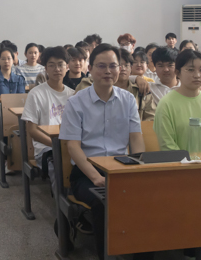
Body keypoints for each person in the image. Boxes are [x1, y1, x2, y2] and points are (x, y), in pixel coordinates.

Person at [60, 43, 146, 260]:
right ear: (89, 68)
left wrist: (138, 169)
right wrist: (95, 177)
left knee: (149, 196)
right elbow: (73, 146)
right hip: (86, 172)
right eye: (101, 66)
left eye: (113, 66)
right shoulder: (76, 103)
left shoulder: (128, 100)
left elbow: (136, 139)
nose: (108, 71)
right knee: (103, 202)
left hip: (120, 167)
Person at [21, 46, 75, 193]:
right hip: (45, 147)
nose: (57, 69)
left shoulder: (73, 95)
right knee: (57, 165)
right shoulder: (36, 94)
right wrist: (57, 145)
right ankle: (62, 204)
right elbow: (32, 130)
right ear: (45, 68)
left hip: (70, 145)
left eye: (60, 65)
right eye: (51, 65)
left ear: (67, 67)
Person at [154, 49, 201, 152]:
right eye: (190, 70)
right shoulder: (166, 104)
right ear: (178, 72)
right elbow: (167, 145)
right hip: (177, 162)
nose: (197, 75)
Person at [77, 49, 156, 121]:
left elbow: (151, 119)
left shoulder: (141, 90)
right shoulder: (95, 85)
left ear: (131, 68)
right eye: (119, 65)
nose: (123, 69)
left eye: (126, 65)